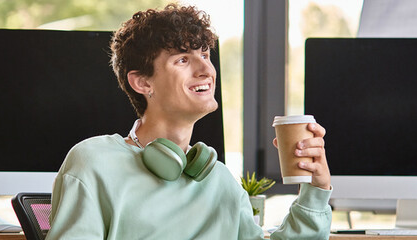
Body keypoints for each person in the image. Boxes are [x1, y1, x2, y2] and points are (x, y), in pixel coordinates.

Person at [47, 4, 332, 239]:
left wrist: (316, 189)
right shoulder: (94, 163)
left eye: (205, 55)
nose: (206, 69)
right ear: (143, 82)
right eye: (183, 59)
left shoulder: (219, 182)